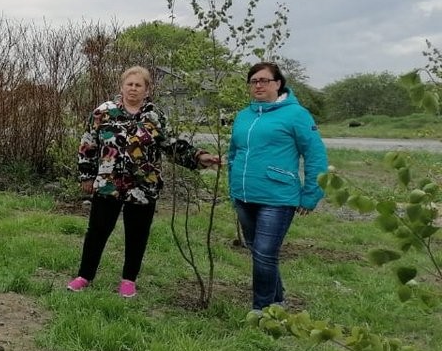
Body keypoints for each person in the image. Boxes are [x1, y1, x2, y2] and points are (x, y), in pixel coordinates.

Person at [69, 66, 219, 297]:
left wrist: (199, 156)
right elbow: (88, 144)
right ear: (122, 86)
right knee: (97, 231)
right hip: (108, 184)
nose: (133, 88)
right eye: (129, 84)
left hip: (143, 186)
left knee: (137, 234)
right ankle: (84, 275)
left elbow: (170, 145)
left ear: (147, 90)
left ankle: (129, 280)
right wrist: (87, 176)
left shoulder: (155, 116)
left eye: (139, 85)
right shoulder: (103, 112)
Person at [228, 61, 328, 313]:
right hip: (244, 195)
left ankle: (262, 310)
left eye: (264, 80)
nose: (258, 85)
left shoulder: (296, 115)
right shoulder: (244, 115)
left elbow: (315, 155)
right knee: (261, 252)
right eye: (254, 81)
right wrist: (233, 184)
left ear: (278, 83)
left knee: (264, 252)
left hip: (278, 196)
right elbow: (234, 153)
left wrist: (311, 194)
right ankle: (278, 301)